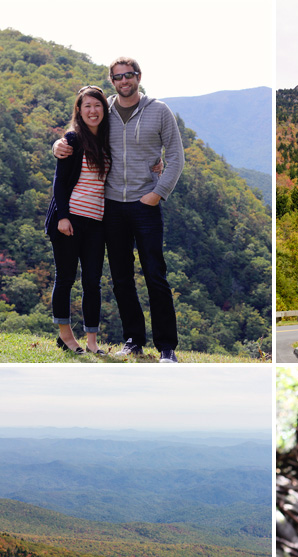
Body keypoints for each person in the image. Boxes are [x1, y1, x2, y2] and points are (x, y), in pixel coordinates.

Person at [54, 57, 184, 363]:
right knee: (121, 277)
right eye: (118, 77)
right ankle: (134, 340)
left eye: (129, 75)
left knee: (155, 274)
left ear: (139, 77)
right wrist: (57, 145)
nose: (124, 81)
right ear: (112, 81)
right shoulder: (105, 109)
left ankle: (167, 347)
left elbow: (176, 157)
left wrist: (158, 193)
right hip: (110, 206)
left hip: (145, 203)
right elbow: (78, 132)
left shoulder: (159, 111)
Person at [45, 86, 111, 355]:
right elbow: (59, 183)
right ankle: (65, 336)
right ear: (79, 111)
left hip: (96, 222)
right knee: (66, 278)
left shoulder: (108, 141)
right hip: (69, 221)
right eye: (87, 106)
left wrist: (157, 164)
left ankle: (92, 342)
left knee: (93, 282)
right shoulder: (72, 140)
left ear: (104, 110)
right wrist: (63, 217)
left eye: (97, 105)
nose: (93, 111)